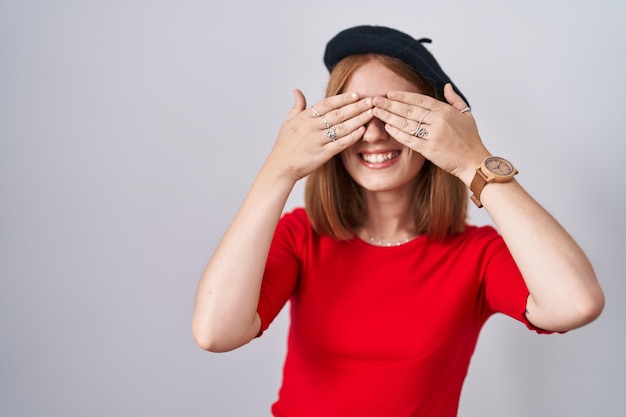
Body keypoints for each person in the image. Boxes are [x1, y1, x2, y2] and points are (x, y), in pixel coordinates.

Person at [192, 25, 604, 416]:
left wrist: (473, 161)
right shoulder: (302, 236)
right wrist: (278, 169)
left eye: (397, 114)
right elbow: (215, 332)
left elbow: (575, 303)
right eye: (353, 115)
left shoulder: (476, 255)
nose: (373, 135)